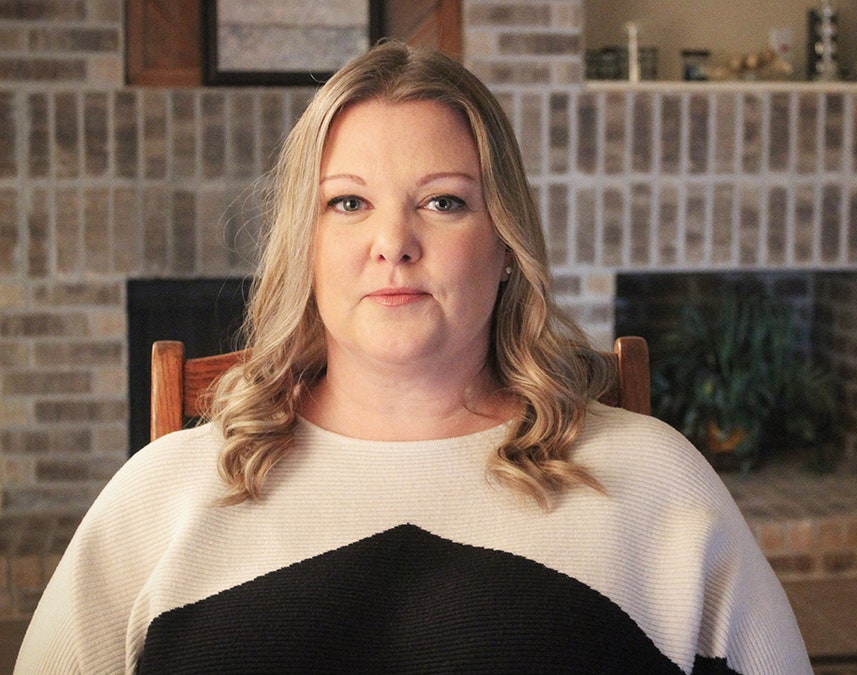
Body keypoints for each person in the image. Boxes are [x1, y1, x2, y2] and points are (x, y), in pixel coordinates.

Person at [16, 41, 811, 674]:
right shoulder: (161, 495)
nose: (393, 243)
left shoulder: (652, 483)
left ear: (505, 245)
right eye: (349, 202)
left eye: (444, 201)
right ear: (307, 246)